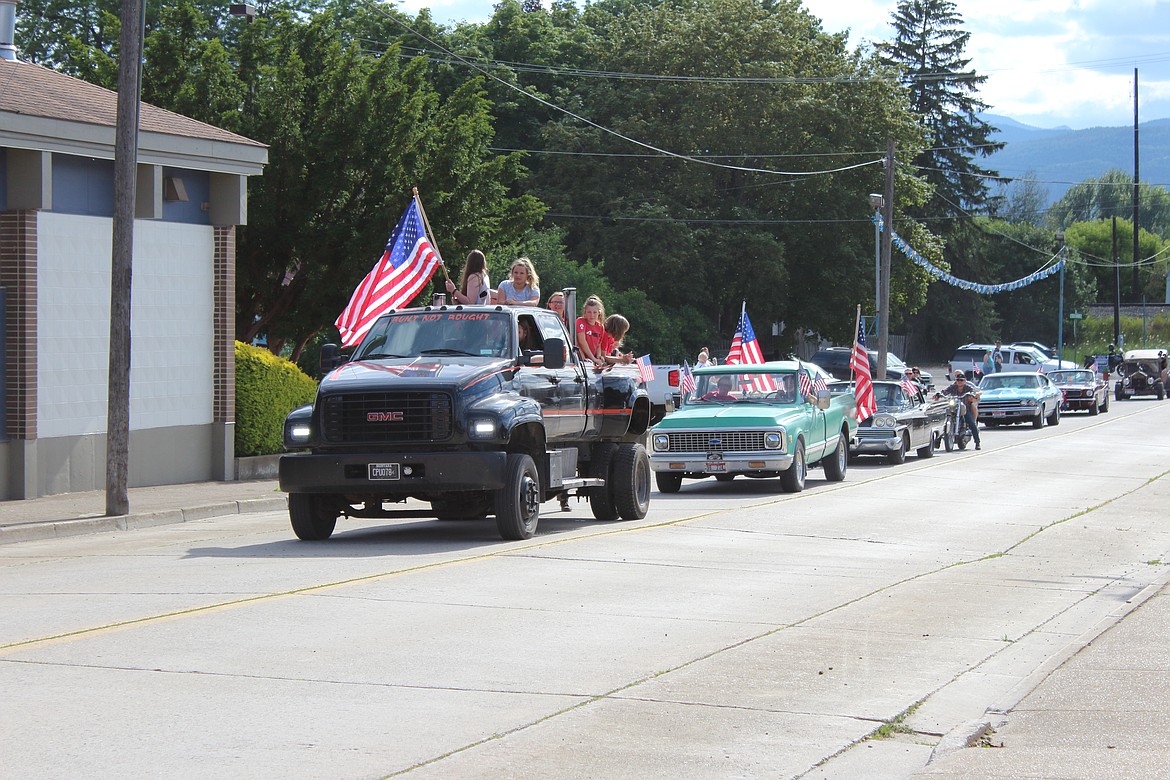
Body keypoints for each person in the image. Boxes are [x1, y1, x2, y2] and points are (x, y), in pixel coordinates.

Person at [939, 370, 982, 450]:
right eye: (958, 380)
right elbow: (946, 391)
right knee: (942, 420)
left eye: (961, 380)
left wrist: (973, 395)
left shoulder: (967, 388)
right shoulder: (953, 387)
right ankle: (937, 440)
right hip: (954, 408)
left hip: (964, 409)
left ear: (964, 381)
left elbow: (973, 392)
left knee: (972, 423)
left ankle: (977, 442)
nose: (959, 382)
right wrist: (940, 394)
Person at [575, 295, 606, 366]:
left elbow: (598, 345)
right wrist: (593, 358)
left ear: (599, 313)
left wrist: (598, 356)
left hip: (592, 360)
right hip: (581, 359)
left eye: (594, 312)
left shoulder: (600, 326)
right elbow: (581, 341)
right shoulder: (580, 321)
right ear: (585, 312)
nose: (592, 315)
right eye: (589, 312)